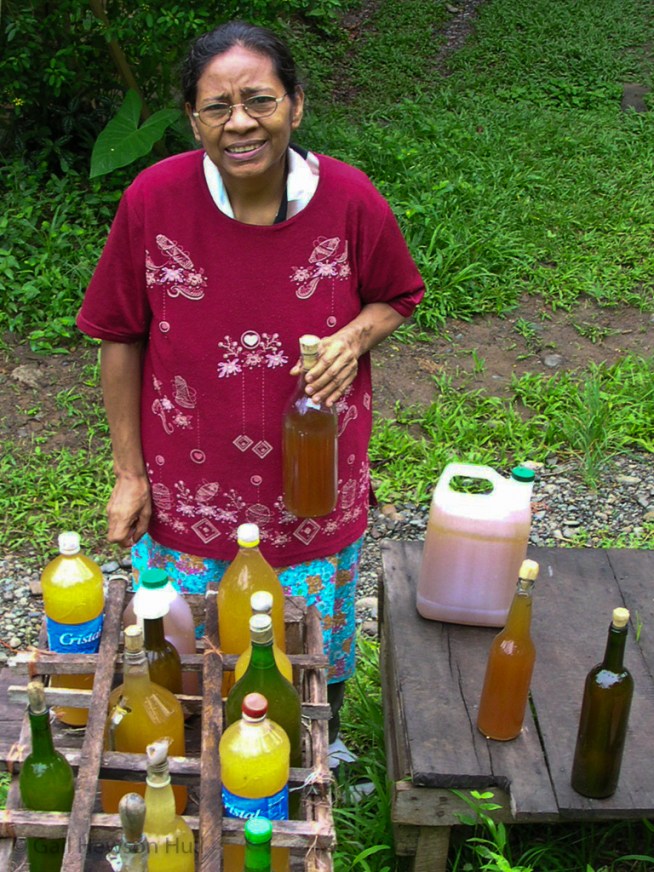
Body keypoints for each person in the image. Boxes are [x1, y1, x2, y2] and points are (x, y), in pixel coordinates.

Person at [77, 20, 424, 755]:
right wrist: (130, 474)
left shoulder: (350, 198)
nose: (240, 122)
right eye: (216, 106)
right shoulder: (153, 199)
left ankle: (310, 755)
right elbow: (118, 335)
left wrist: (351, 338)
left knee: (306, 646)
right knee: (186, 647)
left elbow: (397, 294)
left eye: (260, 100)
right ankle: (199, 751)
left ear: (295, 106)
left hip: (312, 478)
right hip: (191, 482)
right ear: (195, 120)